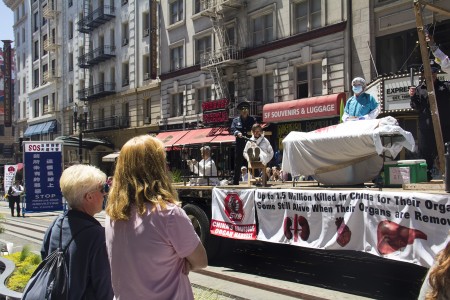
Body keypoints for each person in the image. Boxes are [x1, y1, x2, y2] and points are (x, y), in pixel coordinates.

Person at [105, 135, 207, 299]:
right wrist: (184, 262)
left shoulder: (112, 214)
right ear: (157, 168)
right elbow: (201, 260)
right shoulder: (169, 214)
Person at [40, 164, 113, 300]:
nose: (105, 194)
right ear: (89, 197)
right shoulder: (98, 236)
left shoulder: (56, 224)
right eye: (102, 189)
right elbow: (104, 287)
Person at [409, 65, 450, 181]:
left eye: (434, 72)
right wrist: (412, 96)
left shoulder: (446, 86)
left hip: (444, 126)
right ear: (422, 74)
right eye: (428, 72)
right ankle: (425, 176)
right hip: (426, 127)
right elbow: (415, 106)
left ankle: (448, 175)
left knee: (447, 152)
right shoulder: (419, 89)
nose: (431, 74)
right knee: (425, 153)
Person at [230, 101, 256, 185]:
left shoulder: (252, 120)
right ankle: (235, 181)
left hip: (250, 145)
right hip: (240, 145)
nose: (244, 111)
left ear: (248, 111)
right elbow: (232, 129)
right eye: (243, 110)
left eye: (246, 109)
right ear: (240, 111)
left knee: (253, 162)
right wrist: (237, 133)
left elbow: (256, 129)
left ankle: (256, 180)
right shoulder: (235, 120)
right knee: (238, 163)